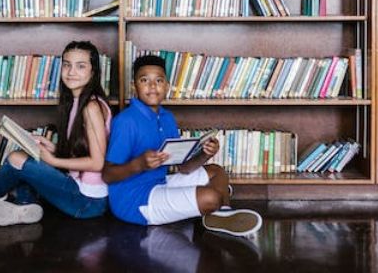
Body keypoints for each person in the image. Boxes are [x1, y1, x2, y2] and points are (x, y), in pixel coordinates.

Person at [102, 55, 262, 236]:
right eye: (144, 80)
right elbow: (107, 175)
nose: (152, 86)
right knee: (211, 197)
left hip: (160, 182)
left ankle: (221, 213)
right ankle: (217, 202)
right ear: (134, 86)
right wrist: (138, 164)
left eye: (159, 81)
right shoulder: (126, 121)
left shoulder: (167, 117)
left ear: (167, 86)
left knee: (217, 171)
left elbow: (184, 168)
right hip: (134, 200)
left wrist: (205, 154)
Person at [0, 41, 111, 226]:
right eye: (67, 65)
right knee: (29, 157)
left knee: (16, 158)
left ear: (93, 72)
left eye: (81, 66)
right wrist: (53, 149)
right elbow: (84, 151)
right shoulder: (78, 102)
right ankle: (26, 204)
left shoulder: (91, 107)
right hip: (80, 190)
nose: (71, 72)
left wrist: (54, 161)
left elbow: (98, 163)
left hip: (87, 202)